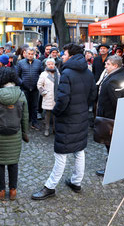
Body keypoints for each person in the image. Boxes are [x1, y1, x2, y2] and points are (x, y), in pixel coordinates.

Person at [32, 43, 96, 200]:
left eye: (64, 54)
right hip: (80, 117)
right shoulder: (87, 72)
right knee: (79, 151)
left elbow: (62, 99)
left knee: (61, 154)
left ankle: (50, 187)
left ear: (72, 56)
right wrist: (81, 108)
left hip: (67, 118)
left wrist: (56, 113)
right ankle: (76, 182)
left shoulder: (67, 73)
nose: (61, 55)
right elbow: (93, 95)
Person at [0, 67, 29, 200]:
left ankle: (1, 191)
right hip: (15, 134)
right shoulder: (20, 94)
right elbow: (25, 116)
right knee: (13, 162)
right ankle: (13, 190)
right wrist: (25, 133)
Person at [95, 55, 124, 176]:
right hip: (112, 116)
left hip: (110, 117)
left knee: (110, 143)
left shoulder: (114, 79)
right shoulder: (122, 75)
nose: (105, 65)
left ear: (115, 66)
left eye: (108, 64)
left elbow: (117, 101)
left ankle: (112, 168)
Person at [17, 47, 43, 130]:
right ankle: (25, 122)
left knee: (34, 106)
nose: (30, 55)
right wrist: (22, 83)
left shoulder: (38, 62)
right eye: (29, 54)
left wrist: (39, 84)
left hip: (35, 88)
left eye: (32, 54)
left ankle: (34, 122)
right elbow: (17, 75)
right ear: (26, 54)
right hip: (25, 88)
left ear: (34, 54)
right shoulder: (21, 63)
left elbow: (42, 74)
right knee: (25, 106)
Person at [37, 58, 60, 137]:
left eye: (52, 64)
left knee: (55, 114)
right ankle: (47, 128)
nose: (51, 65)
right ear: (46, 65)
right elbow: (39, 85)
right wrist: (44, 93)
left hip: (56, 96)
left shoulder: (58, 73)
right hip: (48, 96)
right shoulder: (43, 74)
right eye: (49, 64)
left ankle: (54, 128)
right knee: (47, 114)